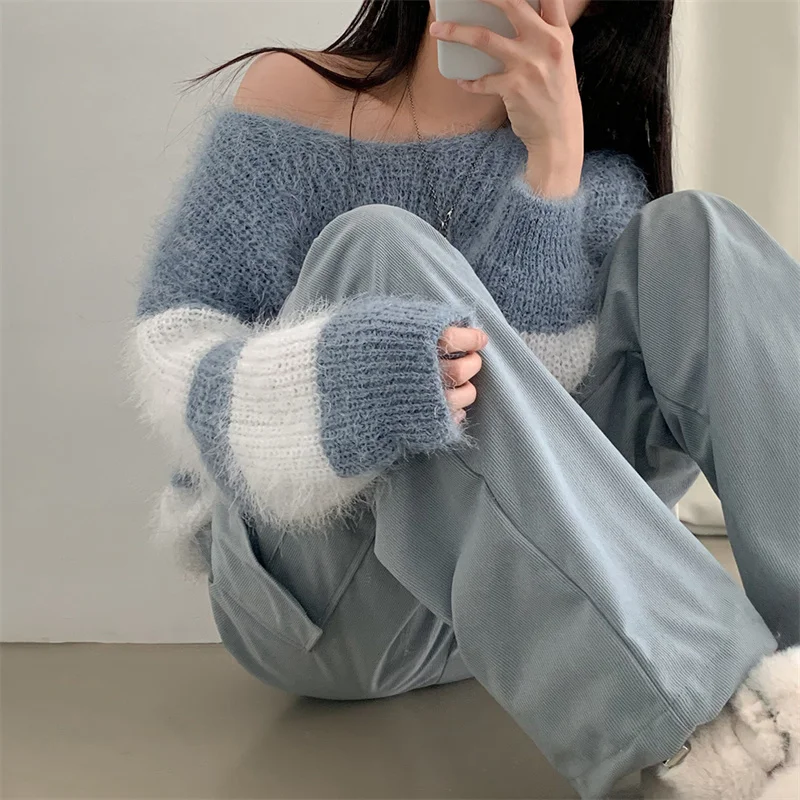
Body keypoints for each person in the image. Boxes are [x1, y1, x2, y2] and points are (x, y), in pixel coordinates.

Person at [127, 0, 799, 797]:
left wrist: (551, 174)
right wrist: (340, 381)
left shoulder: (596, 166)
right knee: (380, 247)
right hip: (330, 609)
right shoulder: (291, 100)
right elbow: (169, 351)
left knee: (700, 232)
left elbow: (527, 424)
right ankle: (723, 739)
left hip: (518, 610)